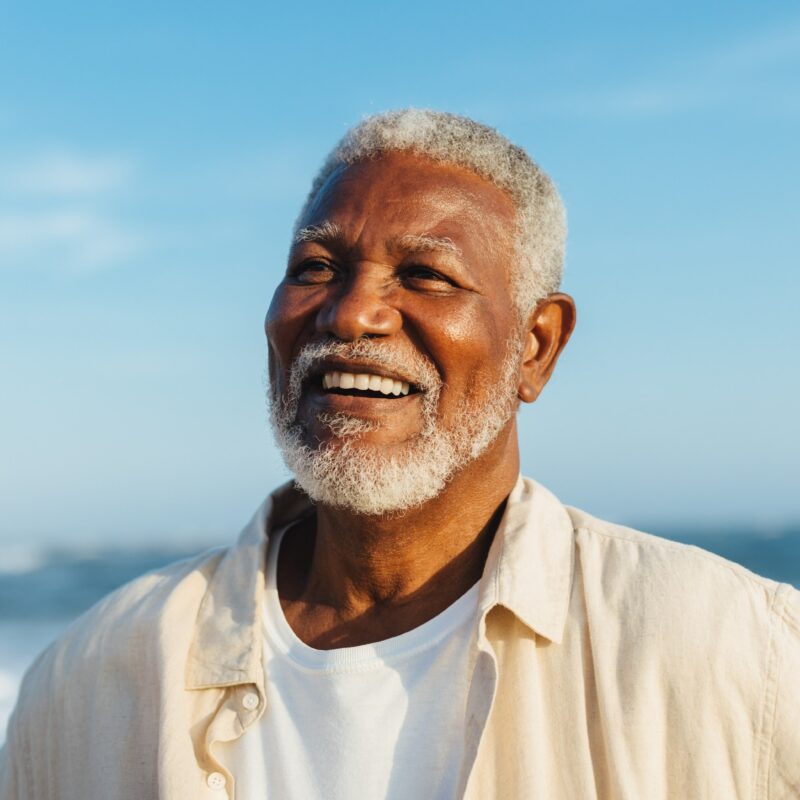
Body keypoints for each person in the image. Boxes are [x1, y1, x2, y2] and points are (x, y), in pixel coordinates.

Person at [1, 110, 798, 800]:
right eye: (317, 269)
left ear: (536, 345)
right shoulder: (94, 679)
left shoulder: (738, 655)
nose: (352, 315)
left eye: (425, 274)